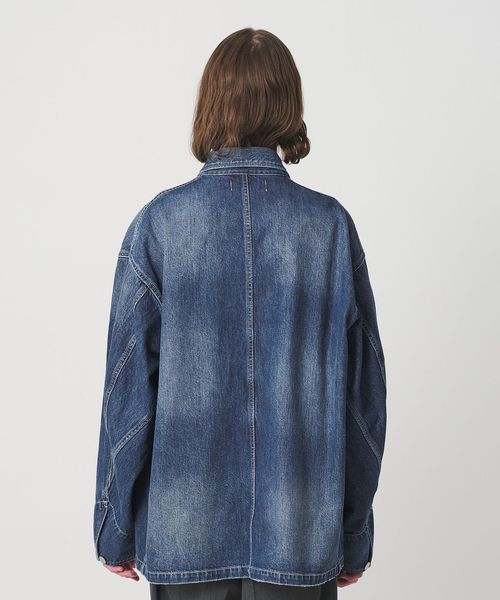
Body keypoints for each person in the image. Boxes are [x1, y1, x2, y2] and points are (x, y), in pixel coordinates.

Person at [93, 27, 387, 600]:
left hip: (185, 539)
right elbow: (363, 402)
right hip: (300, 537)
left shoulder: (160, 225)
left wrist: (115, 526)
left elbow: (127, 391)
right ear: (288, 104)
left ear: (210, 102)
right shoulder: (329, 229)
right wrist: (352, 535)